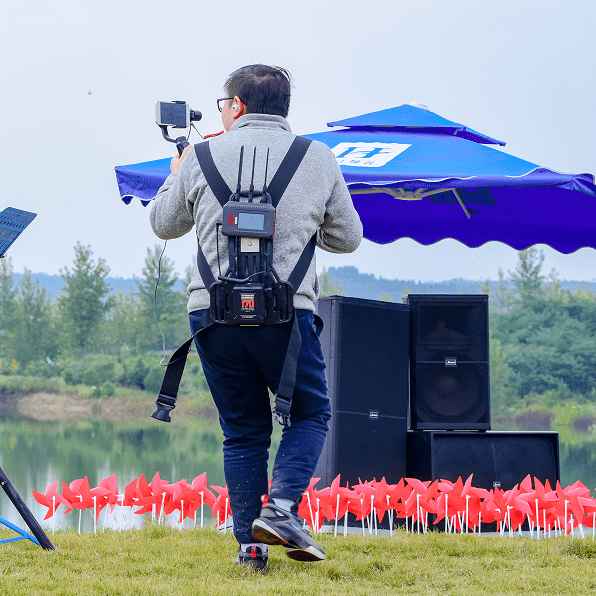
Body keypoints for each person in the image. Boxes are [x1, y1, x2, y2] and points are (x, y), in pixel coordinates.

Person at [149, 65, 363, 574]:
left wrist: (176, 172)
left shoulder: (199, 157)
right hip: (287, 317)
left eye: (223, 103)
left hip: (213, 316)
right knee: (310, 414)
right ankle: (283, 509)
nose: (220, 111)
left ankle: (252, 550)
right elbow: (348, 237)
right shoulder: (318, 158)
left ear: (238, 105)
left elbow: (163, 224)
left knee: (243, 430)